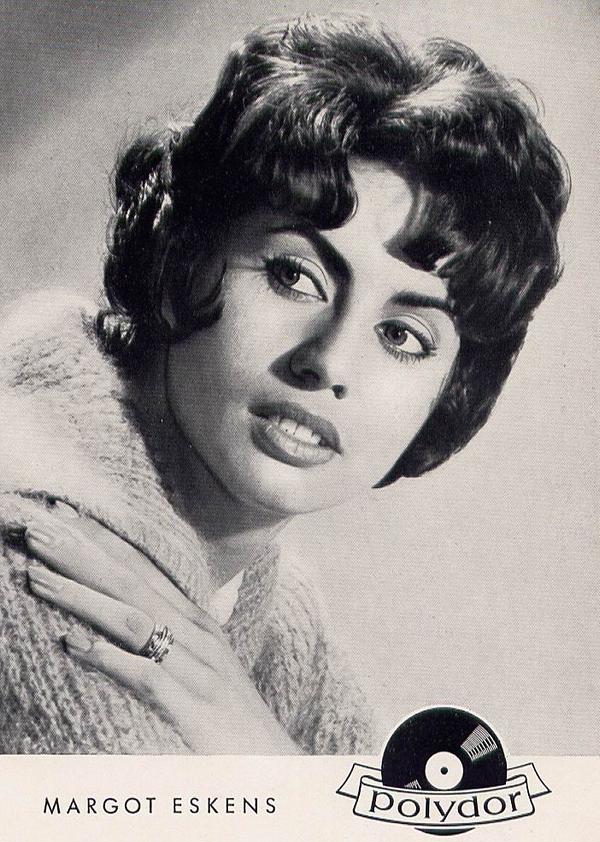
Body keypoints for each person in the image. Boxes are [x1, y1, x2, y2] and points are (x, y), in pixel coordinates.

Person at [0, 13, 568, 754]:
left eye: (402, 335)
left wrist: (265, 757)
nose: (328, 363)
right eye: (294, 276)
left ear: (450, 393)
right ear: (184, 252)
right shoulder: (43, 560)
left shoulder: (274, 610)